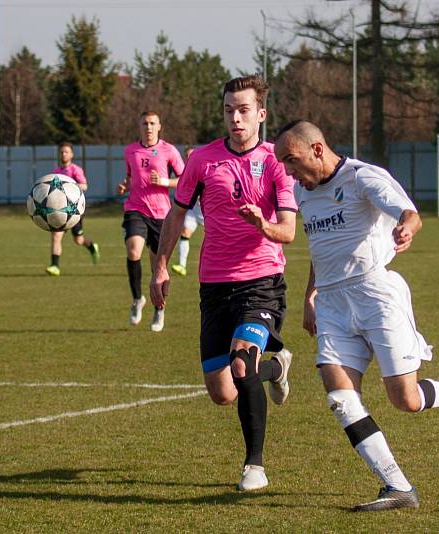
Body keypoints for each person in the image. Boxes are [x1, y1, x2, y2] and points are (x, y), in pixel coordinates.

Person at [275, 120, 439, 511]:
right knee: (341, 399)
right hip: (331, 303)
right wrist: (311, 295)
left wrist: (407, 229)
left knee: (405, 400)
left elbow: (410, 213)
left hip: (376, 294)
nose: (288, 172)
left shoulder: (363, 177)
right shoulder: (302, 193)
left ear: (317, 150)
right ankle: (397, 487)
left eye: (291, 161)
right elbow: (320, 247)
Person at [150, 75, 296, 492]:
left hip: (262, 281)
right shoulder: (202, 160)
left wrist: (261, 224)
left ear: (261, 114)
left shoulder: (274, 162)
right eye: (230, 109)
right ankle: (277, 365)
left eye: (244, 109)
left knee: (241, 363)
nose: (236, 117)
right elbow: (177, 214)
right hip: (214, 286)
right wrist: (160, 267)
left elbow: (288, 231)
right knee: (222, 392)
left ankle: (254, 465)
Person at [118, 111, 185, 331]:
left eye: (152, 123)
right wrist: (125, 186)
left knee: (159, 267)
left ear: (159, 127)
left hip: (161, 214)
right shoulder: (130, 151)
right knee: (133, 251)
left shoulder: (169, 151)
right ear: (140, 126)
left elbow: (185, 180)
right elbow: (130, 177)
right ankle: (138, 299)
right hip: (135, 208)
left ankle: (159, 309)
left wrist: (164, 181)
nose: (148, 127)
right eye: (145, 123)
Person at [45, 142, 100, 276]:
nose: (64, 154)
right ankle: (54, 266)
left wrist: (68, 187)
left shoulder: (75, 170)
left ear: (71, 154)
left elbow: (84, 186)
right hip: (58, 210)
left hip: (73, 210)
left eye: (66, 152)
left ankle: (91, 246)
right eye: (62, 152)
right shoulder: (56, 172)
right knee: (56, 236)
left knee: (78, 240)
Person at [171, 146, 203, 277]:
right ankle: (182, 266)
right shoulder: (183, 172)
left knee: (214, 239)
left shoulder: (203, 168)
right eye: (187, 156)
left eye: (192, 155)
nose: (190, 158)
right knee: (184, 233)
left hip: (207, 211)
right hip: (193, 210)